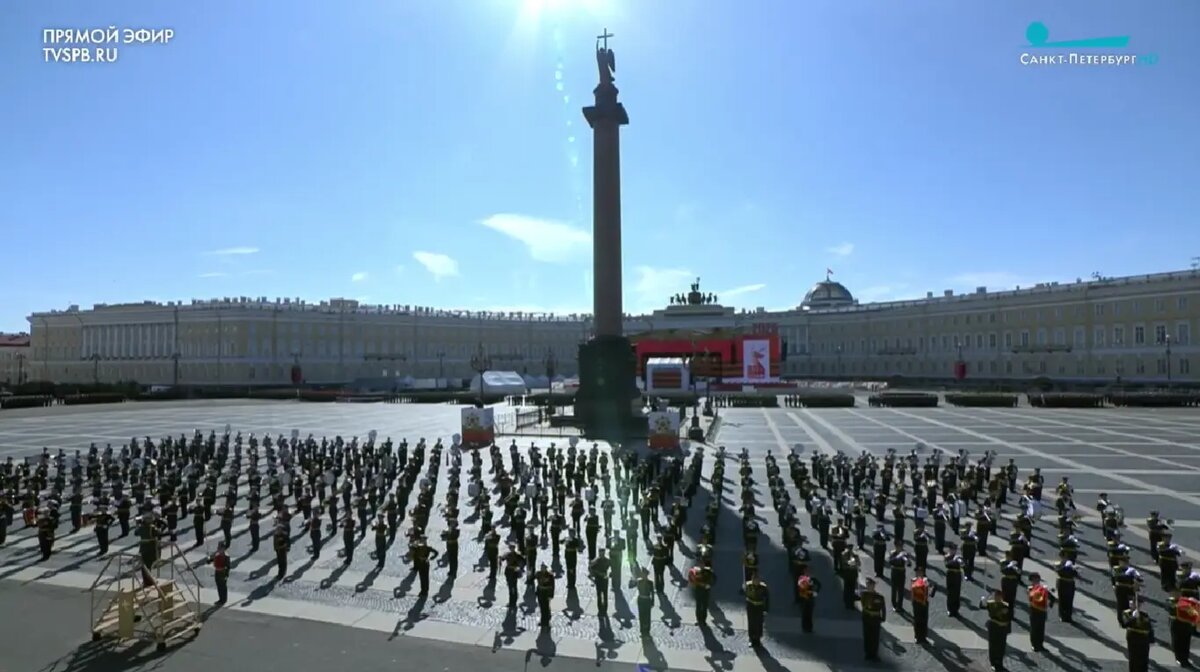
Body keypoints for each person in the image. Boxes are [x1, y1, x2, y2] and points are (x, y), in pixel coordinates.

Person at [979, 588, 1011, 672]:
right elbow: (982, 606)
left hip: (1002, 628)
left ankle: (999, 662)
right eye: (996, 596)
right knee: (993, 645)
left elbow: (1009, 617)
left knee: (1001, 646)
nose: (998, 598)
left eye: (999, 596)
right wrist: (983, 599)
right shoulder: (991, 604)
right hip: (994, 626)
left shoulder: (1005, 605)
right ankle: (993, 663)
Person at [859, 577, 887, 661]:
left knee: (875, 636)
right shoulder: (864, 595)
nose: (869, 586)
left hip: (876, 618)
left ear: (874, 586)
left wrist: (883, 617)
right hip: (867, 617)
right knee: (867, 636)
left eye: (871, 585)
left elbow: (883, 608)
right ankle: (868, 653)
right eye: (868, 585)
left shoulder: (879, 597)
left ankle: (874, 654)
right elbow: (863, 605)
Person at [1027, 572, 1055, 652]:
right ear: (1031, 580)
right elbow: (1032, 596)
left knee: (1041, 628)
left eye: (1037, 579)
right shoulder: (1030, 588)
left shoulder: (1042, 588)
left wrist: (1051, 600)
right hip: (1034, 610)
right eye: (1034, 579)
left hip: (1042, 610)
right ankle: (1034, 645)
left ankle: (1040, 644)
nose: (1036, 581)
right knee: (1034, 628)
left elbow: (1051, 596)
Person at [744, 572, 770, 647]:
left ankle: (758, 639)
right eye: (755, 580)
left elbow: (767, 599)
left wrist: (766, 609)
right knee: (751, 622)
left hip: (759, 606)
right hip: (751, 606)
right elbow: (744, 594)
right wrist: (743, 588)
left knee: (759, 623)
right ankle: (751, 638)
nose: (756, 582)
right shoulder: (748, 585)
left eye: (757, 580)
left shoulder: (763, 587)